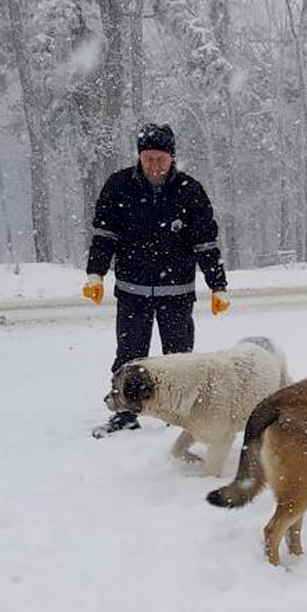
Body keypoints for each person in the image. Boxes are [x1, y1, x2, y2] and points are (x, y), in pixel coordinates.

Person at [83, 122, 231, 436]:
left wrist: (218, 285)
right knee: (128, 355)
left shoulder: (190, 190)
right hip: (132, 290)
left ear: (172, 158)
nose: (154, 165)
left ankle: (182, 417)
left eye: (160, 158)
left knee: (179, 359)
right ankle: (124, 413)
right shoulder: (119, 186)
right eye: (148, 157)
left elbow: (206, 242)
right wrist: (95, 273)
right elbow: (104, 235)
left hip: (177, 292)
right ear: (139, 157)